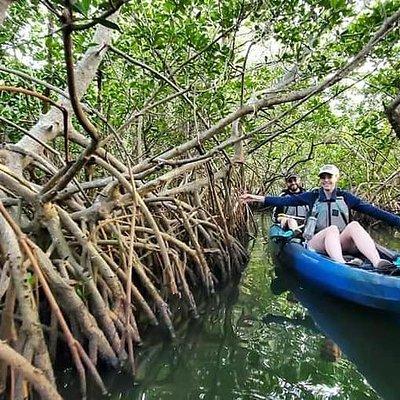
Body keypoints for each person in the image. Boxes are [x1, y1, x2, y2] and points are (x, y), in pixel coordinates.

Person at [241, 164, 400, 269]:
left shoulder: (345, 197)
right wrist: (258, 198)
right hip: (317, 242)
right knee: (332, 229)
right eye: (323, 177)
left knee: (355, 226)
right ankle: (341, 265)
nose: (325, 180)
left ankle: (377, 261)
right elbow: (284, 200)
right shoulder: (312, 196)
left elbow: (375, 212)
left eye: (329, 177)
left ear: (336, 178)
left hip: (340, 242)